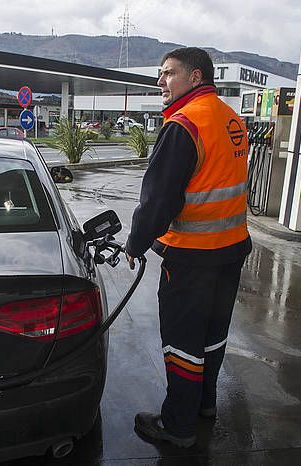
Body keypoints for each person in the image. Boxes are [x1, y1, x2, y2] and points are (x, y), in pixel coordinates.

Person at [124, 47, 252, 448]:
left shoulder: (184, 125)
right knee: (212, 334)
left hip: (192, 257)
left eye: (168, 74)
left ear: (195, 78)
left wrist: (136, 242)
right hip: (231, 251)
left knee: (182, 341)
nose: (161, 82)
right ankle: (204, 403)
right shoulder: (231, 119)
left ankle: (177, 426)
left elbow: (158, 201)